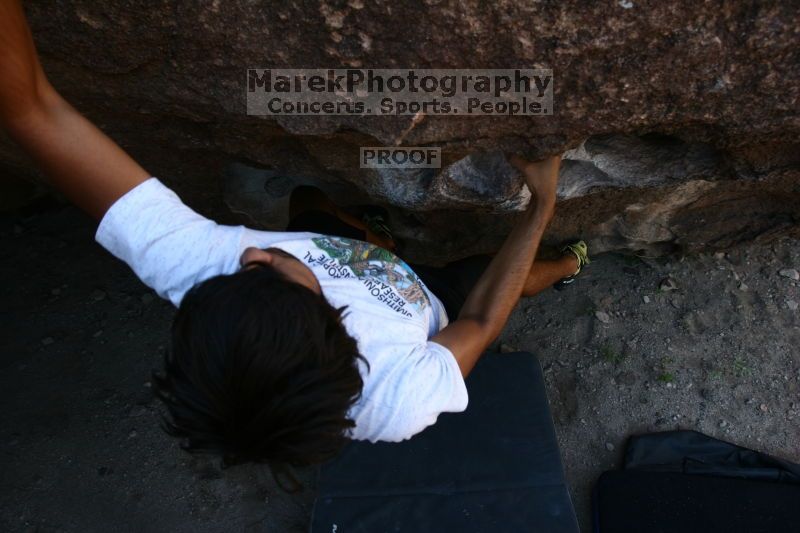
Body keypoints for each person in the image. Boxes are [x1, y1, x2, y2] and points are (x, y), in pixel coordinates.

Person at [0, 1, 589, 471]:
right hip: (430, 307)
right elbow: (482, 322)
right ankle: (569, 267)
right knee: (486, 277)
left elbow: (30, 111)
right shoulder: (401, 395)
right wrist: (541, 203)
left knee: (306, 202)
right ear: (333, 319)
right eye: (268, 270)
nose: (251, 251)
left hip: (346, 261)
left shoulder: (197, 266)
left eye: (234, 275)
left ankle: (373, 238)